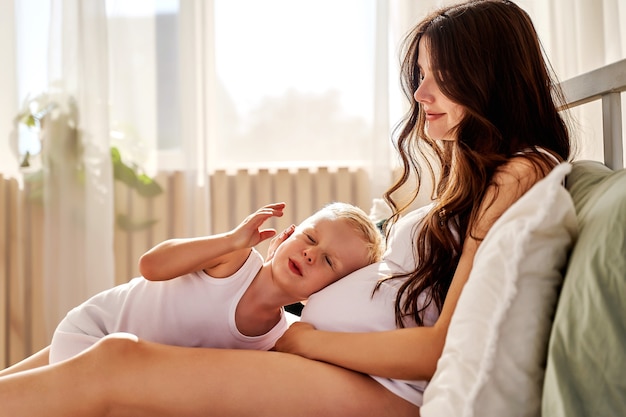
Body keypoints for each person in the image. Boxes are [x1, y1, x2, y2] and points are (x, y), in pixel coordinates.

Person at [0, 1, 572, 415]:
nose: (420, 95)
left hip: (389, 390)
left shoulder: (520, 171)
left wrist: (298, 338)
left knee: (116, 364)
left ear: (487, 75)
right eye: (419, 77)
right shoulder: (484, 176)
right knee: (76, 353)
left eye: (438, 76)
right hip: (348, 364)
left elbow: (438, 347)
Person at [1, 201, 383, 371]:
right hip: (96, 332)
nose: (312, 254)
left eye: (329, 261)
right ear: (284, 235)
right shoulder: (235, 260)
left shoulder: (279, 338)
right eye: (311, 238)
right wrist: (231, 239)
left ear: (326, 294)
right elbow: (151, 265)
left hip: (124, 365)